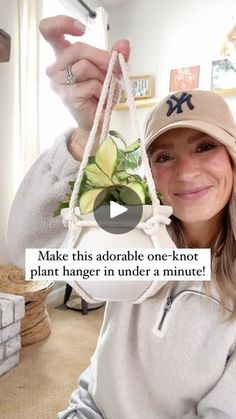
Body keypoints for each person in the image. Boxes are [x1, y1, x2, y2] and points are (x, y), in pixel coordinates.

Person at [7, 15, 236, 419]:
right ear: (148, 173)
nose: (186, 172)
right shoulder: (133, 226)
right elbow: (26, 254)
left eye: (204, 147)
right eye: (164, 156)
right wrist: (83, 137)